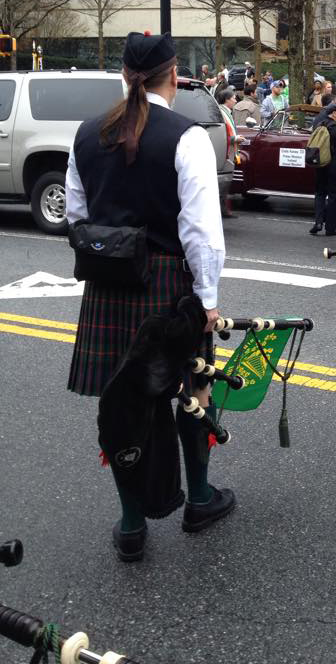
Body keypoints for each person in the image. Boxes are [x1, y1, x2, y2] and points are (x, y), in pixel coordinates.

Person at [65, 31, 233, 561]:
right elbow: (201, 232)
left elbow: (75, 216)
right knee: (191, 391)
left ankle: (132, 522)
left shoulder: (87, 134)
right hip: (168, 288)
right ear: (174, 72)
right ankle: (199, 499)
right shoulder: (186, 137)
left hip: (108, 286)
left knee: (122, 402)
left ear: (122, 73)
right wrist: (208, 301)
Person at [309, 100, 336, 237]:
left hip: (320, 164)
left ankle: (317, 222)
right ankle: (330, 228)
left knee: (320, 193)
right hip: (334, 166)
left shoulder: (320, 124)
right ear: (334, 113)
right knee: (334, 195)